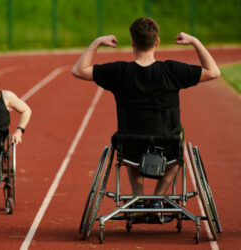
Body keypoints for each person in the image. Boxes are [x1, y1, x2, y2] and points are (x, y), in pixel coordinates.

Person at [72, 17, 220, 209]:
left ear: (133, 42)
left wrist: (97, 42)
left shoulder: (119, 71)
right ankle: (158, 198)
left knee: (132, 145)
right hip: (168, 147)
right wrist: (195, 41)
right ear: (156, 42)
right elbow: (213, 71)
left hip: (129, 148)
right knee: (179, 147)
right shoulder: (172, 70)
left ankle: (138, 197)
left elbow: (78, 70)